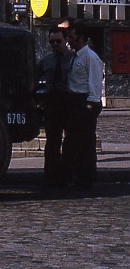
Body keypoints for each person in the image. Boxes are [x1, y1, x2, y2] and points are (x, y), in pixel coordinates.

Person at [66, 22, 103, 189]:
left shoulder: (90, 57)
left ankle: (86, 177)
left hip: (85, 102)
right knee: (75, 140)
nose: (69, 41)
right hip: (74, 101)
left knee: (86, 141)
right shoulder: (76, 56)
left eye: (72, 37)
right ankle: (77, 173)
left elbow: (94, 81)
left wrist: (90, 104)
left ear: (81, 38)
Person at [36, 26, 73, 187]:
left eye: (58, 41)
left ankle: (66, 175)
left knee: (70, 141)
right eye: (52, 42)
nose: (55, 44)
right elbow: (36, 78)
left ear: (65, 40)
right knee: (52, 141)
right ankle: (51, 177)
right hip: (52, 101)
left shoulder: (73, 59)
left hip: (69, 100)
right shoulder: (46, 61)